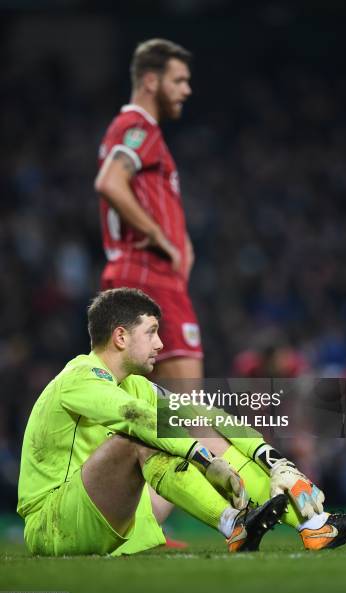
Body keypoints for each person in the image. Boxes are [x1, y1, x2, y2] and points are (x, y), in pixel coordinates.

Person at [17, 288, 287, 556]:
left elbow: (202, 414)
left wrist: (265, 454)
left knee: (196, 429)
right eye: (151, 332)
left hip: (109, 515)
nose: (159, 344)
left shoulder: (136, 385)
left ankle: (310, 522)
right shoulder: (80, 377)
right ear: (121, 337)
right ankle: (233, 523)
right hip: (54, 523)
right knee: (142, 436)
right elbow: (135, 417)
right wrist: (203, 459)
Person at [95, 38, 202, 383]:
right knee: (189, 410)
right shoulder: (138, 127)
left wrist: (179, 241)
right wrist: (158, 236)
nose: (187, 90)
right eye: (179, 80)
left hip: (142, 276)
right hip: (148, 274)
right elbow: (110, 182)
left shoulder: (137, 132)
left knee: (143, 417)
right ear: (151, 81)